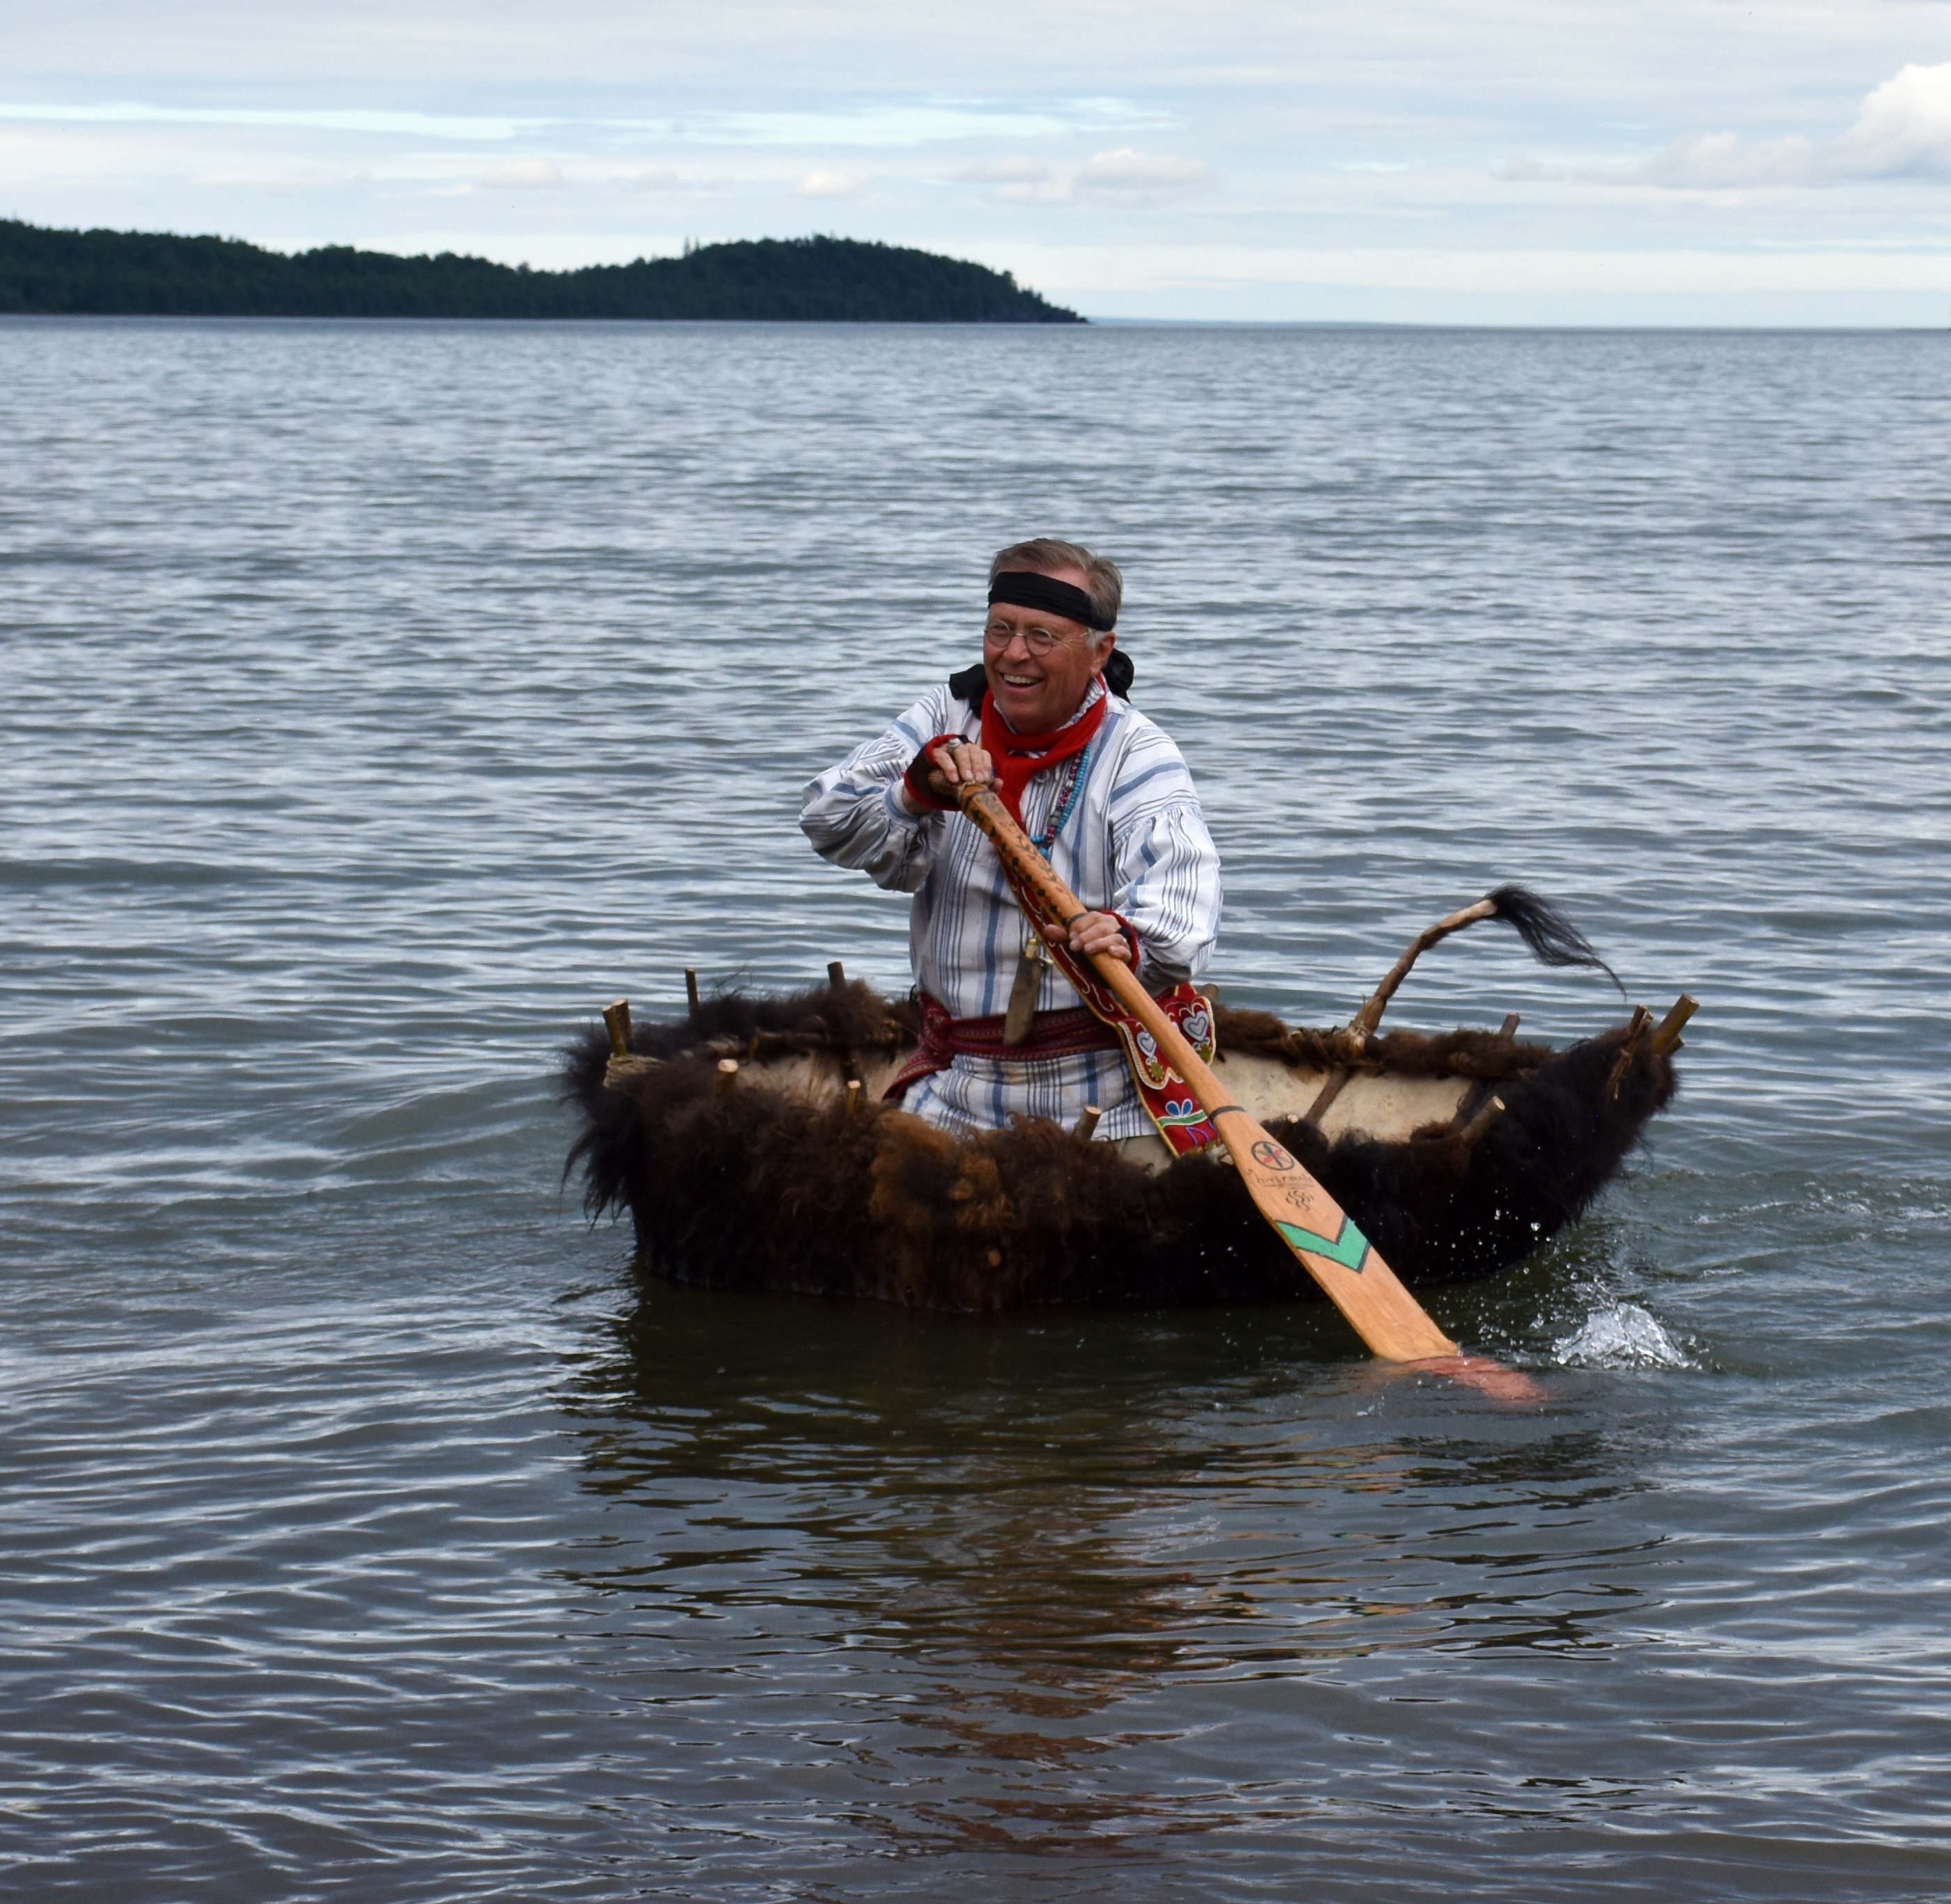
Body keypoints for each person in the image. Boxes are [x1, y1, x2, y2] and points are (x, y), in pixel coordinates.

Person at [800, 538, 1221, 1161]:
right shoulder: (948, 715)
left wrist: (1125, 936)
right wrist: (915, 791)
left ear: (1100, 651)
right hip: (952, 1088)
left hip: (1100, 1100)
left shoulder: (1138, 753)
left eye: (1042, 636)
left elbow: (1184, 917)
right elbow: (826, 818)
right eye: (1001, 629)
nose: (1014, 654)